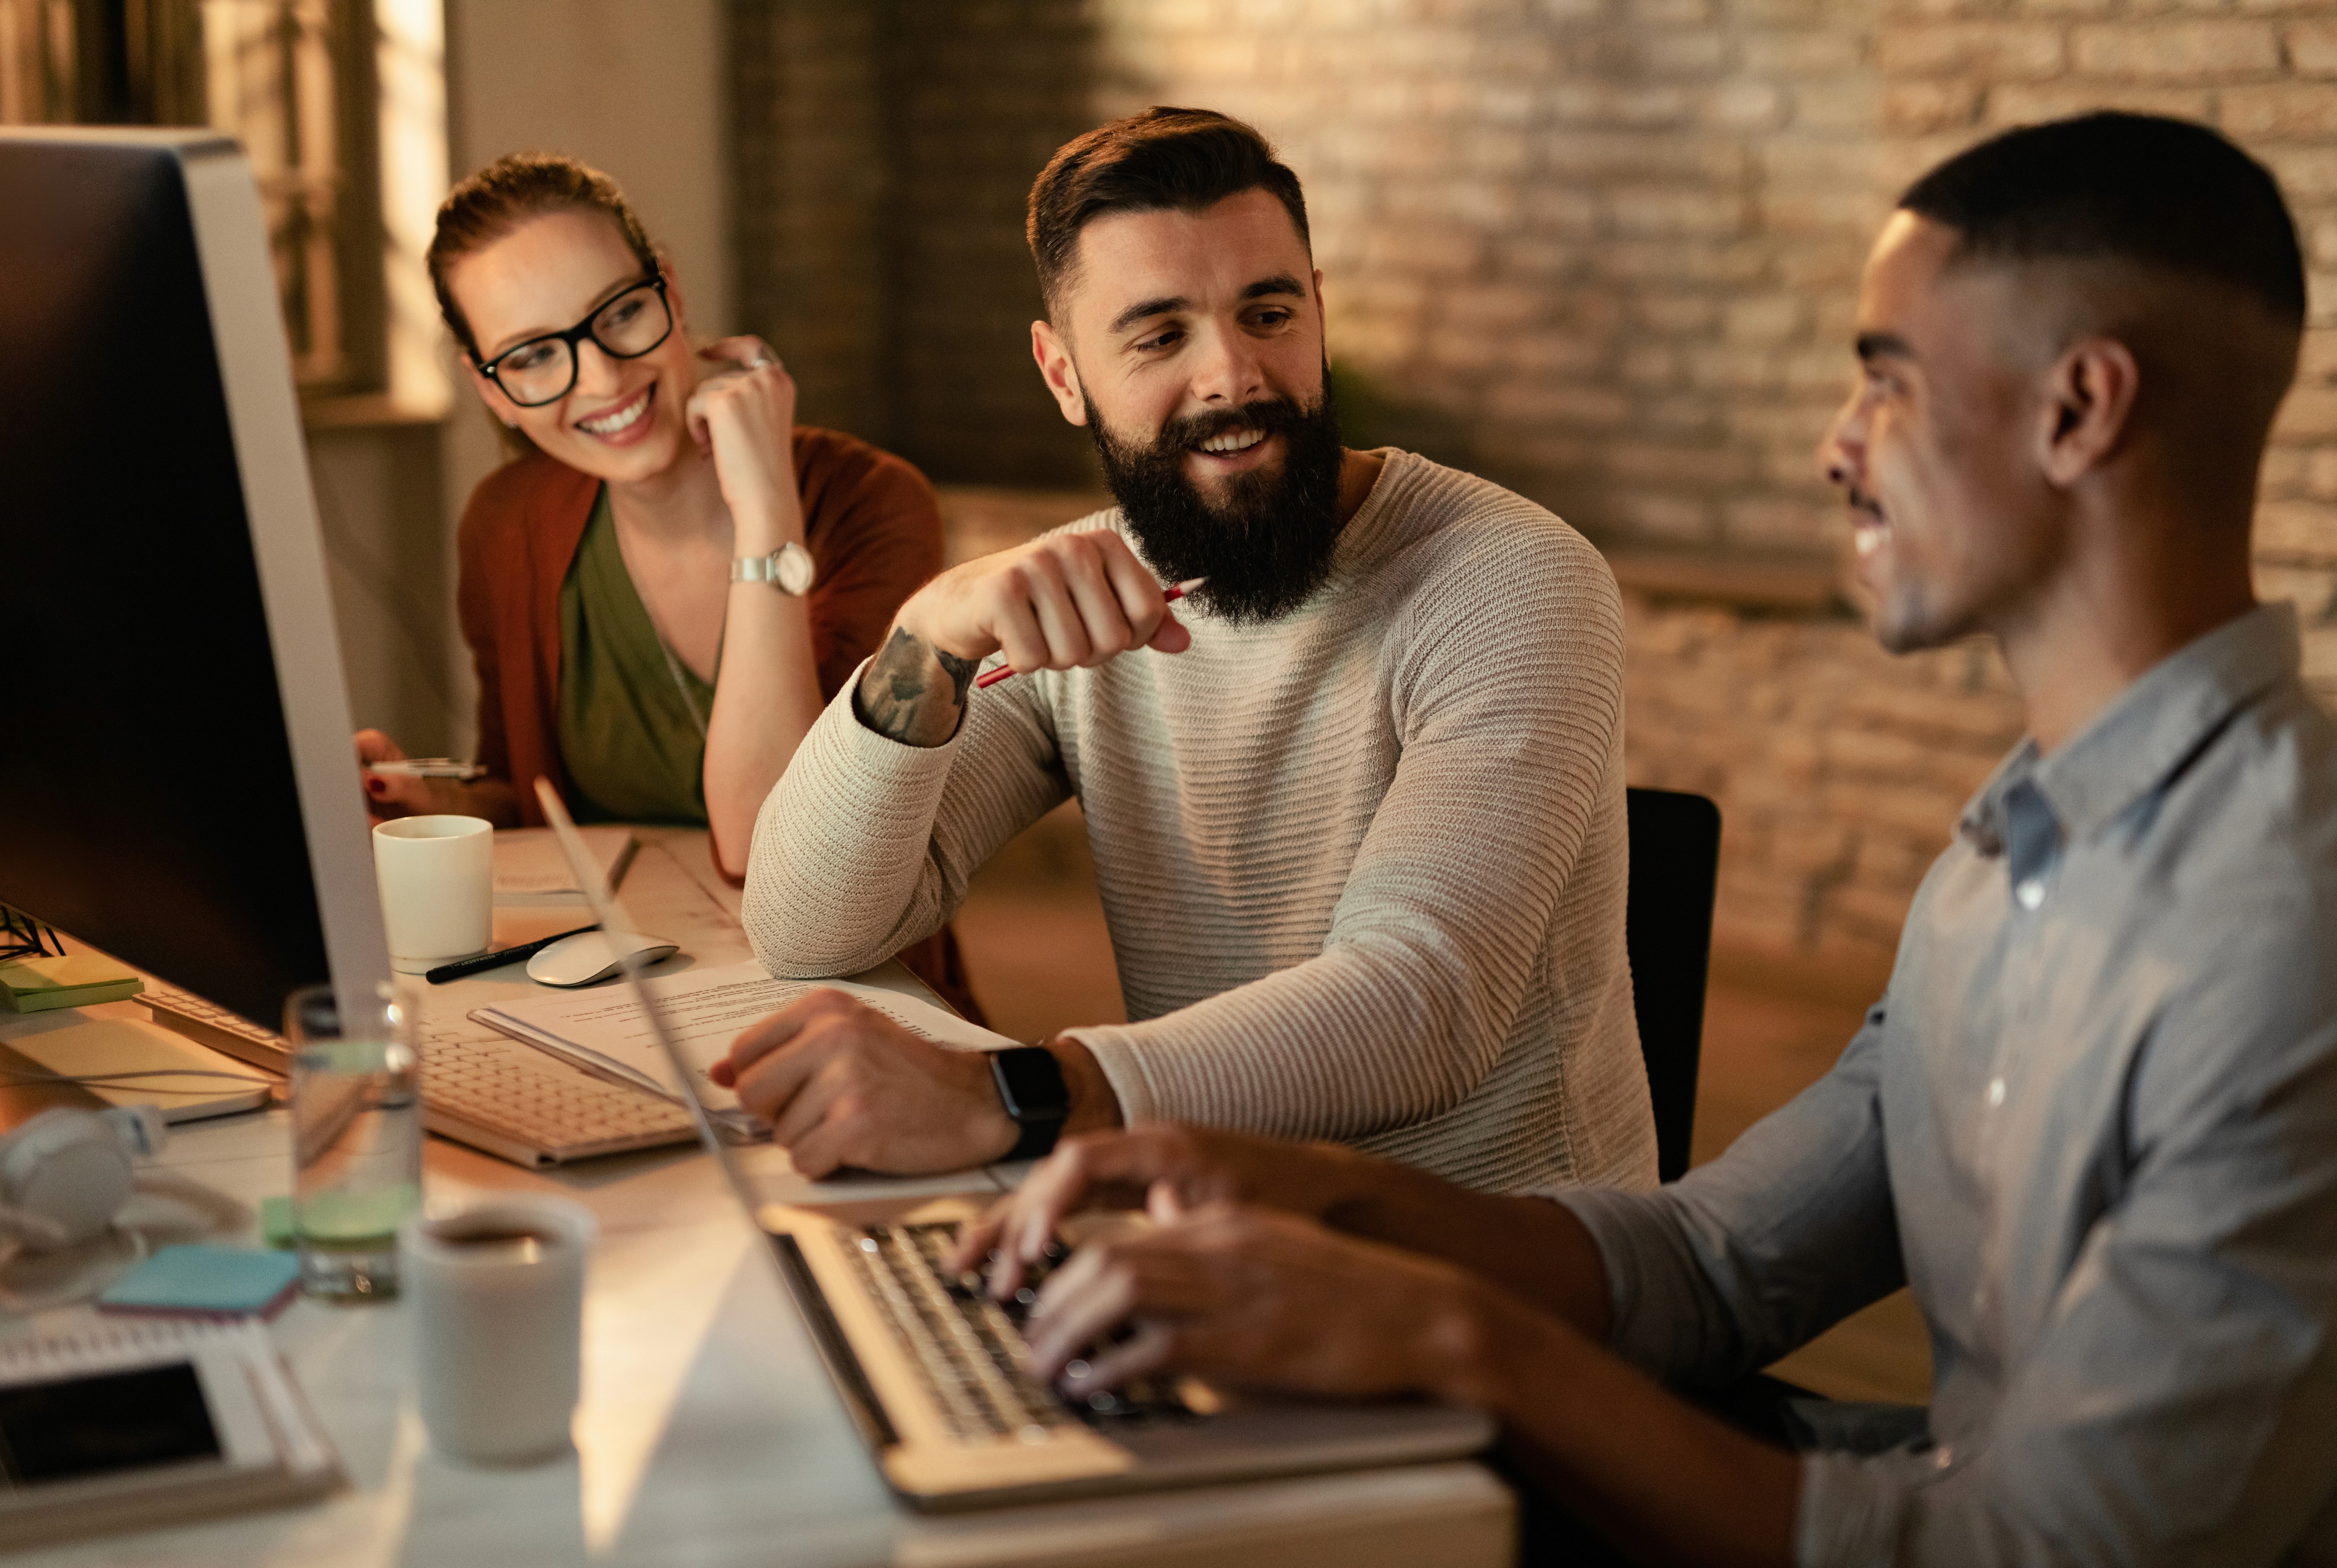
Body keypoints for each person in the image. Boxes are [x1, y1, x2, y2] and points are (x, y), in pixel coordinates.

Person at [943, 113, 2337, 1566]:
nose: (1836, 450)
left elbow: (2037, 1552)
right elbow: (1720, 1259)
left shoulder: (2282, 936)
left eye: (1889, 384)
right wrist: (1304, 1196)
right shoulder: (2015, 843)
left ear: (2078, 412)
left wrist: (1452, 1335)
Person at [712, 108, 1657, 1190]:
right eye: (1160, 335)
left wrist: (1006, 1098)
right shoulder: (1083, 595)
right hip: (1216, 1237)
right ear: (1063, 376)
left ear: (1317, 315)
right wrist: (927, 636)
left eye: (1267, 313)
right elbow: (805, 925)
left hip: (1505, 1284)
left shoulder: (1513, 579)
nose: (1234, 376)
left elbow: (1424, 1007)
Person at [355, 152, 976, 1014]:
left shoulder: (870, 502)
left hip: (852, 998)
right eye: (534, 355)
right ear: (489, 389)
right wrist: (434, 800)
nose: (604, 378)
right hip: (624, 994)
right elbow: (532, 797)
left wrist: (768, 521)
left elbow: (780, 854)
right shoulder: (508, 521)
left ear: (672, 294)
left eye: (621, 314)